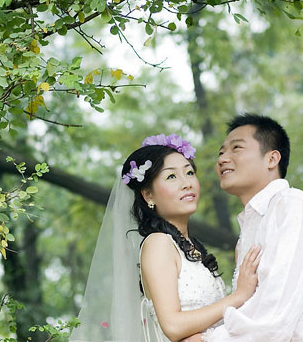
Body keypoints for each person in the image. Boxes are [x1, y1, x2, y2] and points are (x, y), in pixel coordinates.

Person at [70, 133, 261, 342]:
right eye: (171, 176)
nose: (186, 183)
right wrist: (238, 295)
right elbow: (173, 325)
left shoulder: (189, 246)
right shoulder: (159, 243)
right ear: (148, 195)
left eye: (189, 172)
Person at [191, 114, 303, 341]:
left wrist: (208, 339)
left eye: (236, 148)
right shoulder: (248, 231)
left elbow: (275, 314)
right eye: (220, 153)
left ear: (272, 159)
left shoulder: (292, 205)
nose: (222, 159)